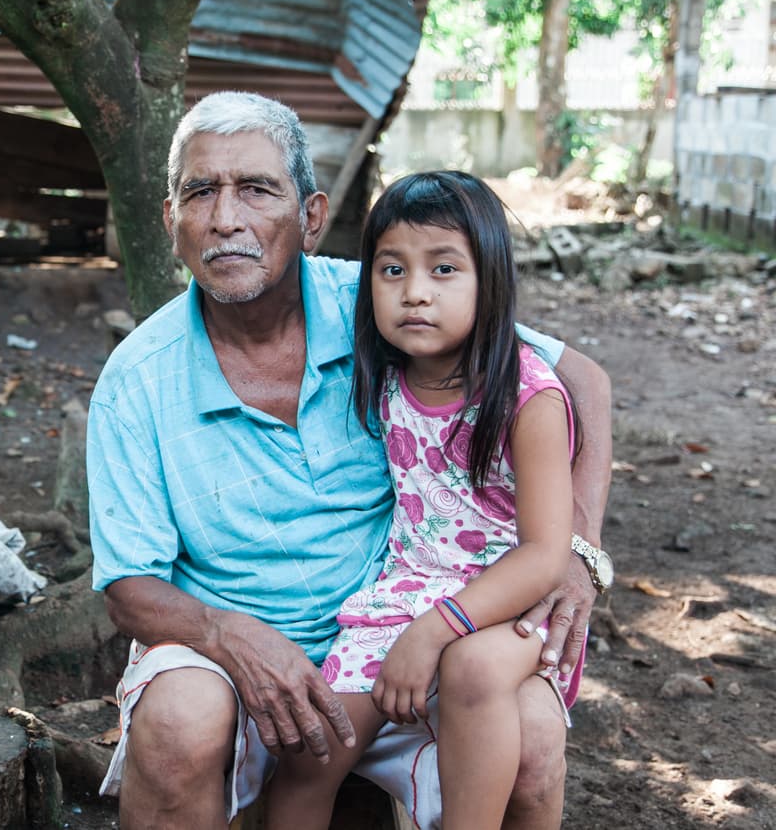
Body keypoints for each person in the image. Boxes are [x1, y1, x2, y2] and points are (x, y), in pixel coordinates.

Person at [87, 92, 612, 830]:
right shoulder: (137, 381)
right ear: (172, 221)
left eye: (258, 189)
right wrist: (227, 635)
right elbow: (127, 586)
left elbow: (578, 381)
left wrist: (577, 553)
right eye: (201, 191)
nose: (226, 218)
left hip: (412, 629)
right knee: (178, 722)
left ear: (311, 217)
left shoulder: (380, 304)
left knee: (529, 740)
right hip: (233, 647)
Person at [264, 170, 588, 830]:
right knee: (312, 748)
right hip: (399, 599)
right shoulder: (384, 375)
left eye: (444, 270)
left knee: (471, 671)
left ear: (489, 281)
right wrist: (414, 625)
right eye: (391, 271)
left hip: (510, 606)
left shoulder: (528, 396)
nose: (415, 294)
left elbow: (547, 552)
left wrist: (437, 629)